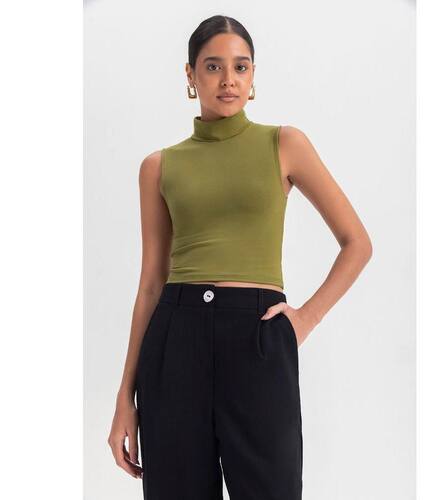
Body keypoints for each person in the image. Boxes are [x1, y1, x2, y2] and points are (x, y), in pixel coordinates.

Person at [108, 14, 372, 500]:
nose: (228, 79)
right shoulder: (159, 166)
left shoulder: (284, 144)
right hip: (175, 340)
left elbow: (357, 242)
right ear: (190, 75)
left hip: (258, 339)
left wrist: (304, 320)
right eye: (212, 66)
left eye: (240, 66)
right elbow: (151, 283)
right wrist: (125, 397)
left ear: (253, 76)